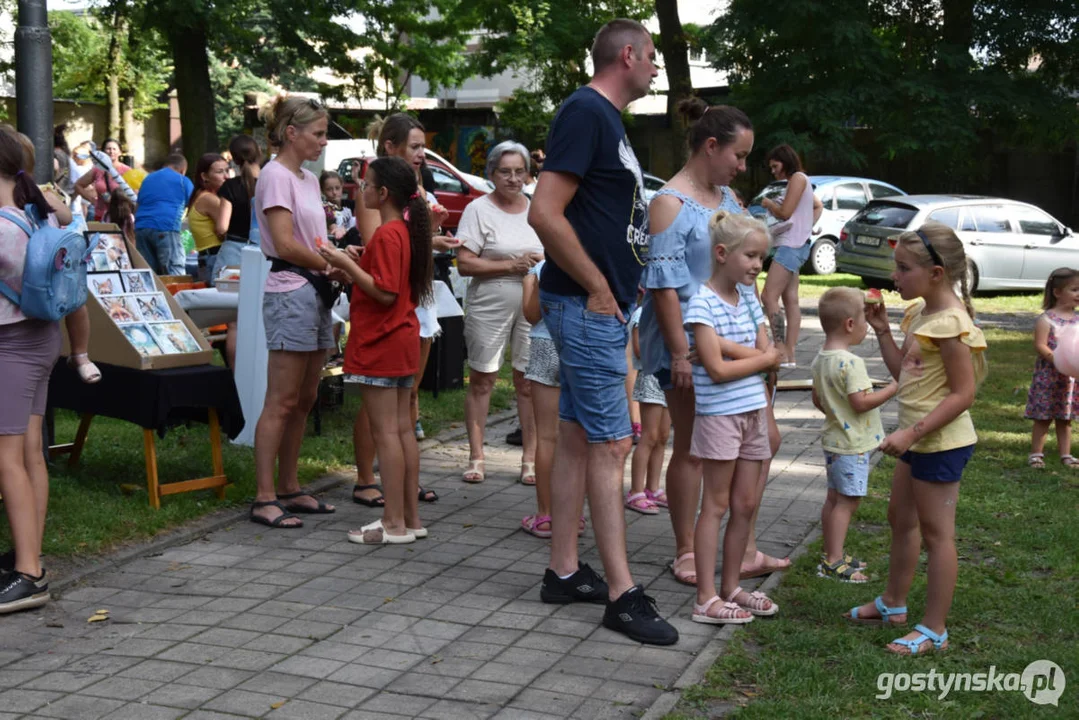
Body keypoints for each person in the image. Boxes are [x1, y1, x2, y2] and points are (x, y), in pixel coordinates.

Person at [527, 18, 678, 645]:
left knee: (574, 436)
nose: (655, 70)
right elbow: (544, 211)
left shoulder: (605, 118)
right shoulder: (587, 112)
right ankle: (621, 592)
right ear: (627, 54)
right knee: (613, 444)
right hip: (588, 311)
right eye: (651, 59)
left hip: (602, 306)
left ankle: (565, 570)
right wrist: (596, 284)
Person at [847, 222, 987, 655]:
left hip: (940, 441)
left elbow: (963, 394)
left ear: (936, 274)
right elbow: (905, 377)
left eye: (904, 268)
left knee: (936, 533)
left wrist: (911, 432)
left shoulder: (950, 324)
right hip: (918, 439)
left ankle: (934, 629)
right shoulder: (920, 314)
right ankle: (893, 603)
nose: (895, 277)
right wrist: (883, 332)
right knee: (899, 519)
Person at [638, 99, 758, 586]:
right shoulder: (669, 203)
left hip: (730, 343)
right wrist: (681, 354)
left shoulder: (728, 201)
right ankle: (687, 551)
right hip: (684, 346)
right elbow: (664, 287)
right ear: (711, 146)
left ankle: (741, 545)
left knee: (755, 440)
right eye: (739, 155)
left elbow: (745, 262)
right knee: (691, 448)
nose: (742, 167)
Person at [319, 156, 432, 544]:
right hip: (400, 340)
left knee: (387, 433)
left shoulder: (387, 234)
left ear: (383, 193)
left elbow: (384, 292)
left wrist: (344, 264)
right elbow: (389, 278)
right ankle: (410, 519)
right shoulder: (402, 231)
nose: (359, 190)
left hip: (381, 341)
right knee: (401, 431)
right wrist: (358, 260)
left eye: (366, 185)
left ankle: (393, 524)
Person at [350, 113, 454, 506]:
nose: (422, 155)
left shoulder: (414, 189)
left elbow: (397, 257)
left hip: (410, 305)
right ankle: (368, 479)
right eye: (414, 147)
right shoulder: (375, 191)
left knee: (406, 397)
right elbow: (383, 253)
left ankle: (403, 488)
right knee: (381, 402)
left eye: (423, 147)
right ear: (390, 147)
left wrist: (432, 235)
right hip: (392, 310)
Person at [684, 211, 782, 625]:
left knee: (746, 503)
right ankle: (706, 598)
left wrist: (756, 356)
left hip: (753, 411)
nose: (758, 265)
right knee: (717, 505)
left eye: (762, 258)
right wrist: (761, 358)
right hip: (721, 416)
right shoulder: (701, 302)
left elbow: (768, 356)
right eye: (751, 257)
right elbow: (717, 370)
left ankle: (731, 587)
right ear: (722, 254)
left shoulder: (748, 300)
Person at [250, 95, 339, 528]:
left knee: (305, 398)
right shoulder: (274, 175)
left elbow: (311, 239)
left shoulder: (307, 178)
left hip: (315, 288)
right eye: (318, 134)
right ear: (292, 133)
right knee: (281, 399)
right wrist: (331, 263)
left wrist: (338, 255)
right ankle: (264, 495)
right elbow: (285, 243)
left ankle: (289, 486)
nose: (323, 142)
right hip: (290, 290)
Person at [0, 126, 63, 613]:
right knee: (30, 454)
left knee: (8, 460)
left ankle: (30, 575)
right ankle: (30, 553)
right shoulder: (33, 214)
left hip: (11, 346)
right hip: (43, 339)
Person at [457, 141, 543, 484]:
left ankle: (530, 460)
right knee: (483, 379)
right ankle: (476, 458)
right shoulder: (478, 210)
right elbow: (464, 263)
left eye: (519, 171)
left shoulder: (538, 208)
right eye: (504, 171)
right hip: (489, 301)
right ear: (491, 174)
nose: (512, 178)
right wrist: (511, 264)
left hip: (533, 303)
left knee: (528, 382)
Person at [810, 287, 897, 582]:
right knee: (847, 502)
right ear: (850, 324)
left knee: (834, 499)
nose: (866, 326)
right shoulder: (852, 363)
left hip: (834, 441)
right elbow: (861, 403)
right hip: (852, 444)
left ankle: (829, 553)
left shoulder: (821, 358)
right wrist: (895, 387)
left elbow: (817, 399)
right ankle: (833, 562)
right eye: (864, 320)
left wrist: (838, 412)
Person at [758, 144, 823, 368]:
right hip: (796, 243)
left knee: (768, 296)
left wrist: (768, 204)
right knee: (790, 300)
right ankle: (790, 355)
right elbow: (817, 205)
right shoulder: (799, 181)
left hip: (790, 246)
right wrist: (808, 226)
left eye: (775, 166)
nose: (773, 171)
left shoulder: (797, 178)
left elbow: (785, 213)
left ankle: (781, 350)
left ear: (784, 161)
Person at [1026, 268, 1079, 468]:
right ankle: (1036, 454)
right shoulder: (1046, 319)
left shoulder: (1077, 320)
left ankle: (1066, 454)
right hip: (1049, 376)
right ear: (1057, 292)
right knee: (1044, 417)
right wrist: (1056, 359)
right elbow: (1040, 345)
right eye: (1074, 289)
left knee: (1065, 417)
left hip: (1070, 379)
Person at [626, 303, 670, 514]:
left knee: (662, 436)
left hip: (667, 378)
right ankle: (635, 490)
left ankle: (652, 487)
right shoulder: (642, 314)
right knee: (649, 436)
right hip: (651, 376)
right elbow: (638, 349)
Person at [134, 153, 193, 276]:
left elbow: (138, 205)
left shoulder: (148, 179)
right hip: (165, 227)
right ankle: (174, 296)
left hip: (141, 228)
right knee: (174, 273)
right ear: (182, 170)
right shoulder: (183, 180)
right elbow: (195, 205)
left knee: (149, 275)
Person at [216, 135, 264, 276]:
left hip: (234, 251)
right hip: (264, 250)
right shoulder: (270, 184)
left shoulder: (230, 186)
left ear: (234, 159)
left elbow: (222, 227)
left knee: (224, 294)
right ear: (259, 152)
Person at [188, 154, 232, 286]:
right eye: (220, 172)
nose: (226, 176)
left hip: (207, 258)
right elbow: (226, 230)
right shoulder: (209, 199)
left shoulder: (201, 195)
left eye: (227, 170)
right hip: (214, 258)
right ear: (204, 176)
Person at [74, 138, 131, 222]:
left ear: (120, 152)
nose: (111, 151)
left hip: (121, 216)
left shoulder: (127, 171)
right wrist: (92, 200)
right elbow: (78, 185)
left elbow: (135, 194)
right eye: (108, 149)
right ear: (103, 152)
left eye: (114, 149)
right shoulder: (97, 170)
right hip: (100, 215)